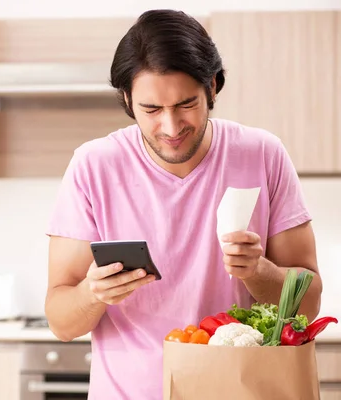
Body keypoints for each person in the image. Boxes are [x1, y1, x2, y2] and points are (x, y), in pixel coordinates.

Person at [44, 8, 323, 400]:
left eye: (186, 104)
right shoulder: (93, 166)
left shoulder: (262, 154)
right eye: (152, 110)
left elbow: (309, 302)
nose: (171, 128)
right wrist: (93, 293)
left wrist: (258, 271)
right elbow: (61, 321)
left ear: (212, 86)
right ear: (127, 99)